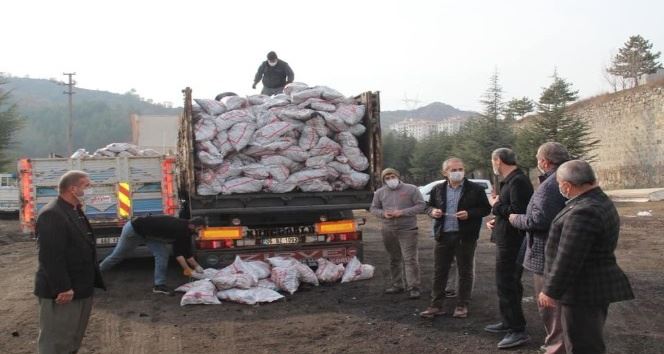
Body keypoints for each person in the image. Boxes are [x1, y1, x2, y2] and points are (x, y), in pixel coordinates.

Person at [538, 160, 634, 353]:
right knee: (586, 341)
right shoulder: (596, 200)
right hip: (589, 287)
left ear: (566, 185)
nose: (559, 188)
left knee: (583, 344)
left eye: (558, 184)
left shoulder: (583, 211)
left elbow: (569, 257)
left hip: (582, 291)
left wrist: (550, 290)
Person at [34, 170, 106, 354]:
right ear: (73, 189)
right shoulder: (53, 214)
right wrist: (63, 287)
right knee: (56, 342)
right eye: (87, 186)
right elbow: (50, 257)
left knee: (72, 339)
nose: (90, 190)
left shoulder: (75, 210)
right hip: (64, 292)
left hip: (81, 288)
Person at [508, 142, 569, 353]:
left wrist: (515, 218)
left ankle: (555, 347)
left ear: (545, 161)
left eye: (537, 158)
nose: (537, 162)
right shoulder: (567, 177)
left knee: (551, 306)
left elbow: (539, 221)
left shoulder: (551, 185)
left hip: (546, 254)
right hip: (560, 251)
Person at [419, 158, 491, 319]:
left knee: (465, 271)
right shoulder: (438, 189)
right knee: (440, 271)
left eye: (460, 169)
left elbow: (485, 208)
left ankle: (462, 305)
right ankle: (435, 305)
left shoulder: (475, 189)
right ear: (445, 173)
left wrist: (470, 213)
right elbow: (427, 206)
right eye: (453, 170)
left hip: (465, 236)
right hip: (443, 235)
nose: (458, 172)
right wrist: (433, 212)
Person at [485, 148, 534, 349]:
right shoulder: (511, 181)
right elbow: (510, 213)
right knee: (504, 283)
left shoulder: (518, 181)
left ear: (498, 160)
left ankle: (517, 330)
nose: (493, 165)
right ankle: (508, 322)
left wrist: (495, 206)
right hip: (507, 238)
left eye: (492, 161)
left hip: (514, 243)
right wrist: (497, 221)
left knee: (509, 283)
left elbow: (518, 213)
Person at [99, 215, 206, 295]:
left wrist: (196, 266)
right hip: (134, 230)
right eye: (199, 229)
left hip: (150, 235)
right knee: (117, 255)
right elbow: (178, 253)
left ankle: (159, 285)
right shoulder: (180, 229)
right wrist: (188, 270)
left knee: (162, 254)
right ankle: (95, 274)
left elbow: (186, 251)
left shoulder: (187, 230)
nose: (200, 232)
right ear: (192, 225)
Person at [370, 168, 426, 299]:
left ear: (398, 176)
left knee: (410, 259)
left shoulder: (411, 189)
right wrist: (383, 214)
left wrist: (403, 212)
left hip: (408, 229)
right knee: (394, 258)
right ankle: (397, 284)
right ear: (384, 180)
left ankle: (414, 286)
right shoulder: (379, 192)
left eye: (392, 176)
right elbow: (373, 208)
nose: (390, 179)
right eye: (387, 178)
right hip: (388, 229)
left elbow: (421, 205)